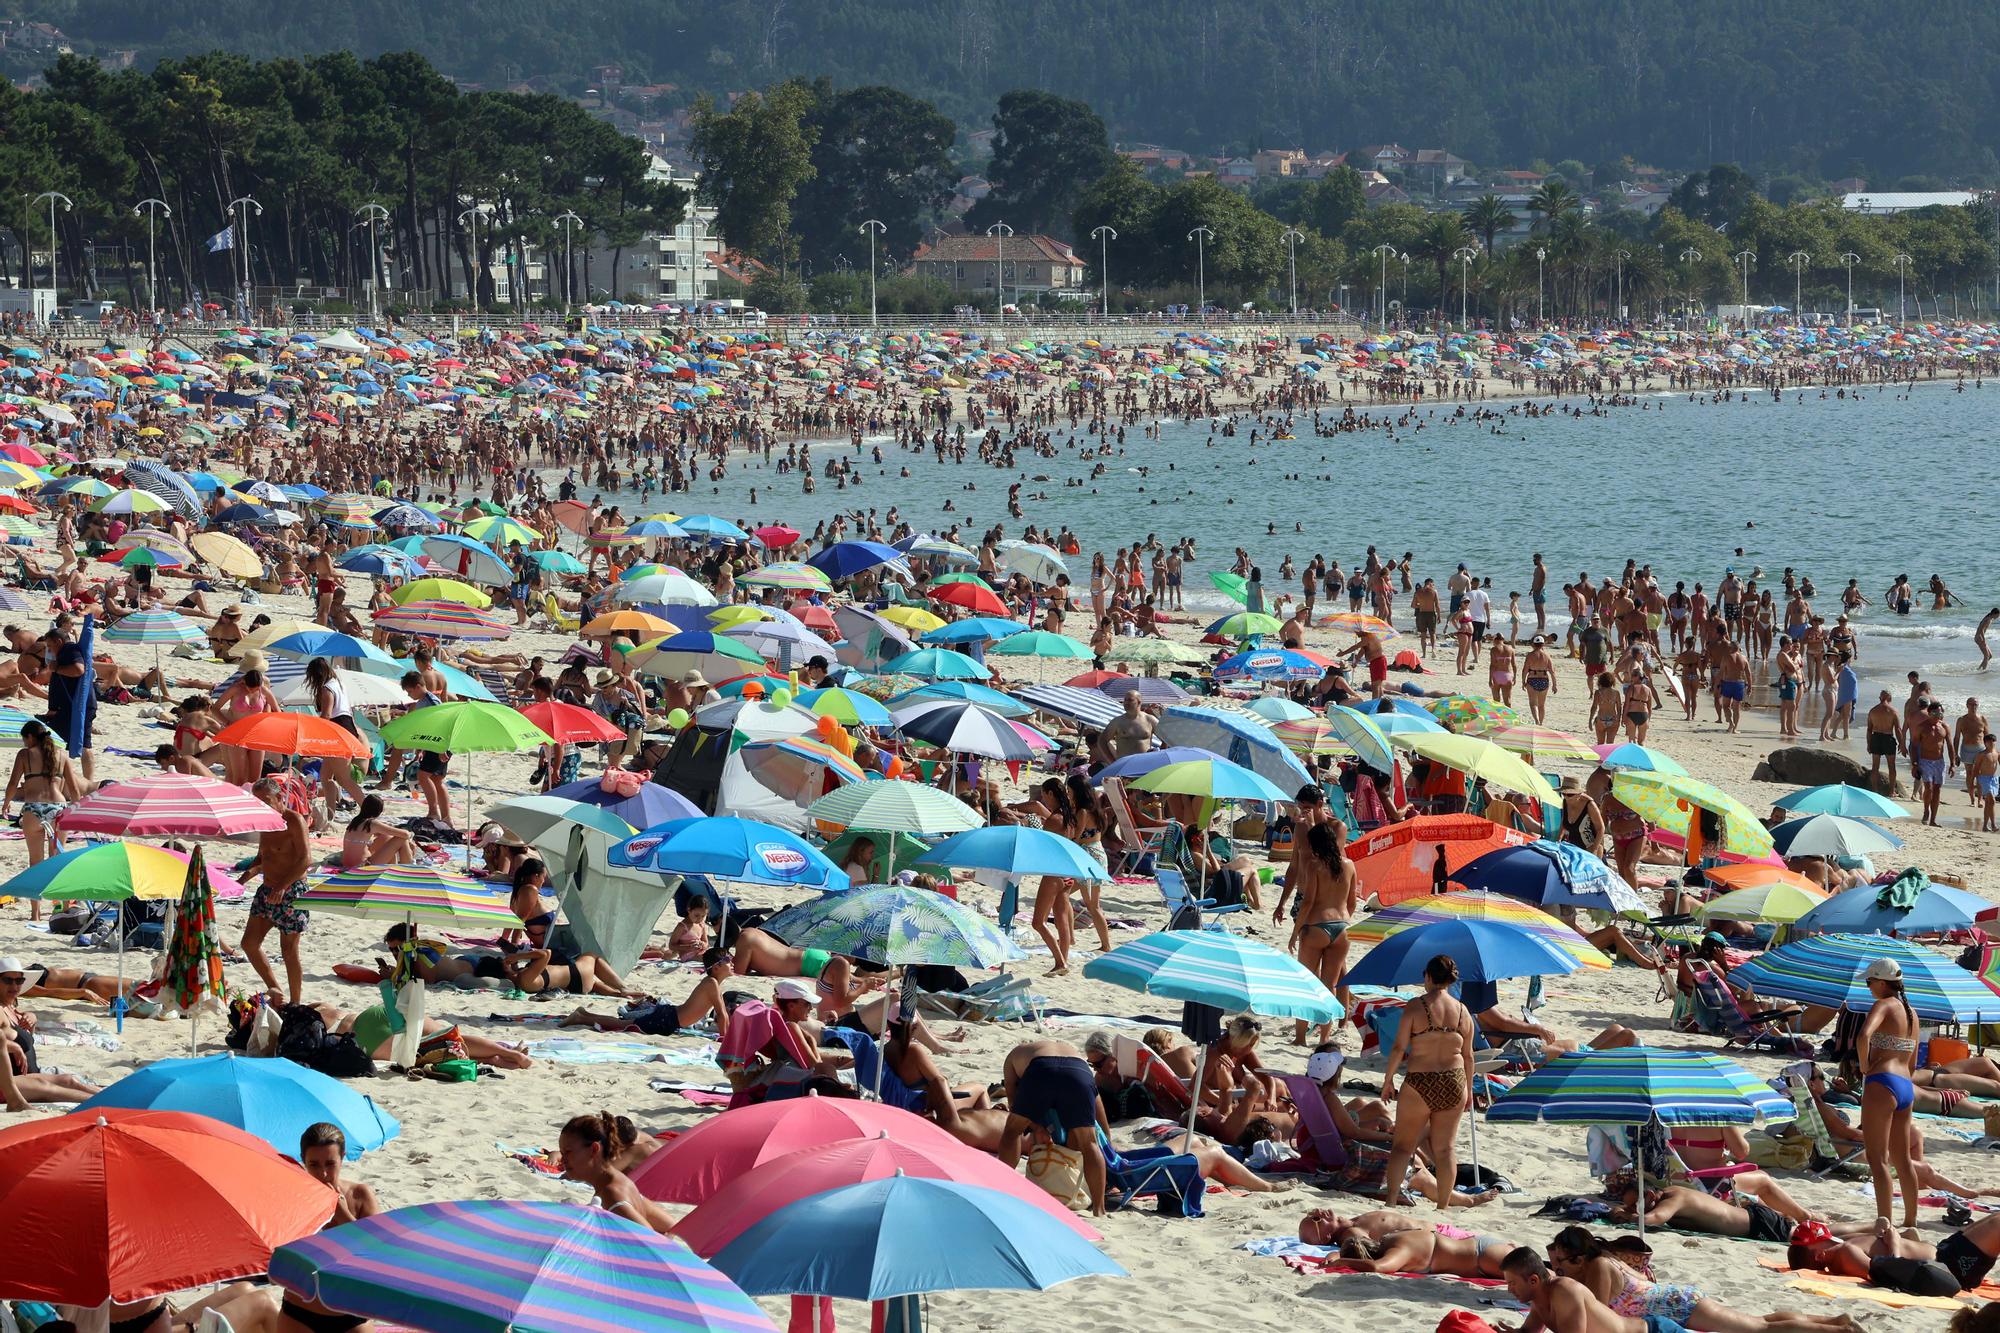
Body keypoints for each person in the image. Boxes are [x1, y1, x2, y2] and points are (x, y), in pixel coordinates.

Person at [1547, 1226, 1858, 1333]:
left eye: (1560, 1261)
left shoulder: (1599, 1267)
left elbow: (1600, 1313)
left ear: (1578, 1259)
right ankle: (1833, 1321)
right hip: (1677, 1303)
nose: (1558, 1268)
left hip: (1679, 1307)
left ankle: (1841, 1331)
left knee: (1760, 1329)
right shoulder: (1602, 1260)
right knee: (1759, 1321)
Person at [1379, 954, 1475, 1212]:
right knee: (1445, 1149)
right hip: (1454, 1080)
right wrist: (1469, 1090)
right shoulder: (1463, 1011)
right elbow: (1468, 1055)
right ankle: (1442, 1206)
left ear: (1429, 976)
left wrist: (1388, 1080)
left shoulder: (1415, 1006)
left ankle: (1390, 1200)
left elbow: (1399, 1047)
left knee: (1402, 1146)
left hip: (1421, 1079)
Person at [997, 1038, 1108, 1216]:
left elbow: (1013, 1101)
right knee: (1090, 1145)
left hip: (1041, 1070)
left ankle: (1000, 1191)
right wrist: (1107, 1135)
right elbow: (1096, 1100)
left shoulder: (1014, 1056)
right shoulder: (1071, 1049)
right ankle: (1099, 1208)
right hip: (1078, 1072)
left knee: (1012, 1131)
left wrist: (1035, 1124)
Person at [1857, 956, 1920, 1228]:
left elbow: (1863, 1036)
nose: (1869, 987)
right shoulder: (1911, 1013)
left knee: (1878, 1159)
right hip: (1905, 1085)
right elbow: (1914, 1062)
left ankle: (1885, 1223)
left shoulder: (1883, 1004)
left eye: (1870, 982)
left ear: (1882, 982)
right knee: (1903, 1160)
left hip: (1882, 1081)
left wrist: (1864, 1066)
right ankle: (1911, 1221)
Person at [241, 776, 312, 1006]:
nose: (261, 805)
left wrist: (283, 887)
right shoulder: (264, 822)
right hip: (267, 889)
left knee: (288, 950)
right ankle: (276, 989)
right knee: (249, 944)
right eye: (257, 801)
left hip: (292, 890)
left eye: (266, 800)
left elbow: (305, 859)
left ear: (280, 798)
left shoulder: (294, 820)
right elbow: (263, 857)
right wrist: (243, 878)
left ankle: (296, 1002)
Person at [2, 718, 82, 918]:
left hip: (33, 808)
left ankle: (35, 913)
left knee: (35, 862)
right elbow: (74, 788)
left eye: (24, 739)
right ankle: (64, 908)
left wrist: (5, 804)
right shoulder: (62, 756)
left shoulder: (25, 755)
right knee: (58, 860)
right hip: (58, 808)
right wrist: (79, 810)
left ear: (30, 737)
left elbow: (12, 783)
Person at [1286, 821, 1356, 1046]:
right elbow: (1352, 902)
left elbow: (1308, 903)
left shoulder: (1315, 866)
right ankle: (1325, 1037)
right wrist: (1343, 920)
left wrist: (1295, 933)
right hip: (1342, 928)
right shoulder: (1349, 865)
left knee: (1306, 984)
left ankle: (1299, 1038)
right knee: (1329, 986)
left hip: (1317, 926)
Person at [561, 947, 733, 1038]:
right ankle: (581, 1018)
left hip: (670, 1017)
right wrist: (726, 1040)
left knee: (625, 1024)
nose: (731, 963)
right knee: (622, 1025)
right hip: (668, 1019)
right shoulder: (711, 983)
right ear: (716, 967)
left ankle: (584, 1014)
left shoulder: (712, 983)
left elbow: (722, 1015)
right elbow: (722, 1014)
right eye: (728, 960)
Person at [558, 1112, 677, 1234]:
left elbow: (651, 1241)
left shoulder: (611, 1194)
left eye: (568, 1152)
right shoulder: (620, 1182)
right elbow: (670, 1226)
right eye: (562, 1153)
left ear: (594, 1149)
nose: (563, 1160)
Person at [1498, 1247, 1664, 1333]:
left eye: (1512, 1283)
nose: (1509, 1289)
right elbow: (1529, 1331)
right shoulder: (1538, 1298)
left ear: (1533, 1280)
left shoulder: (1564, 1291)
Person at [730, 926, 872, 1018]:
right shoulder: (751, 931)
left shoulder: (744, 940)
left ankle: (888, 975)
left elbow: (739, 972)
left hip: (806, 963)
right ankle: (868, 980)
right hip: (809, 955)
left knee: (846, 976)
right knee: (849, 976)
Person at [1615, 1184, 1804, 1243]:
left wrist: (1624, 1215)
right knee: (1808, 1235)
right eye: (1630, 1207)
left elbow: (1651, 1220)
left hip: (1756, 1223)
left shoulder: (1673, 1200)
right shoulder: (1668, 1192)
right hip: (1750, 1218)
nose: (1633, 1210)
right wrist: (1619, 1211)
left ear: (1649, 1195)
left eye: (1635, 1205)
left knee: (1807, 1236)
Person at [299, 1122, 381, 1225]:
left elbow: (378, 1239)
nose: (323, 1173)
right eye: (314, 1165)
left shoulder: (360, 1195)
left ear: (342, 1158)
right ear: (303, 1160)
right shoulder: (296, 1201)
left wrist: (343, 1216)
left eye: (330, 1164)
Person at [340, 795, 418, 868]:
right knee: (401, 839)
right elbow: (405, 834)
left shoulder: (355, 821)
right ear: (378, 811)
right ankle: (408, 868)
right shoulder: (372, 823)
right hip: (362, 867)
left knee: (386, 837)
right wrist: (411, 835)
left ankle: (393, 867)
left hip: (346, 865)